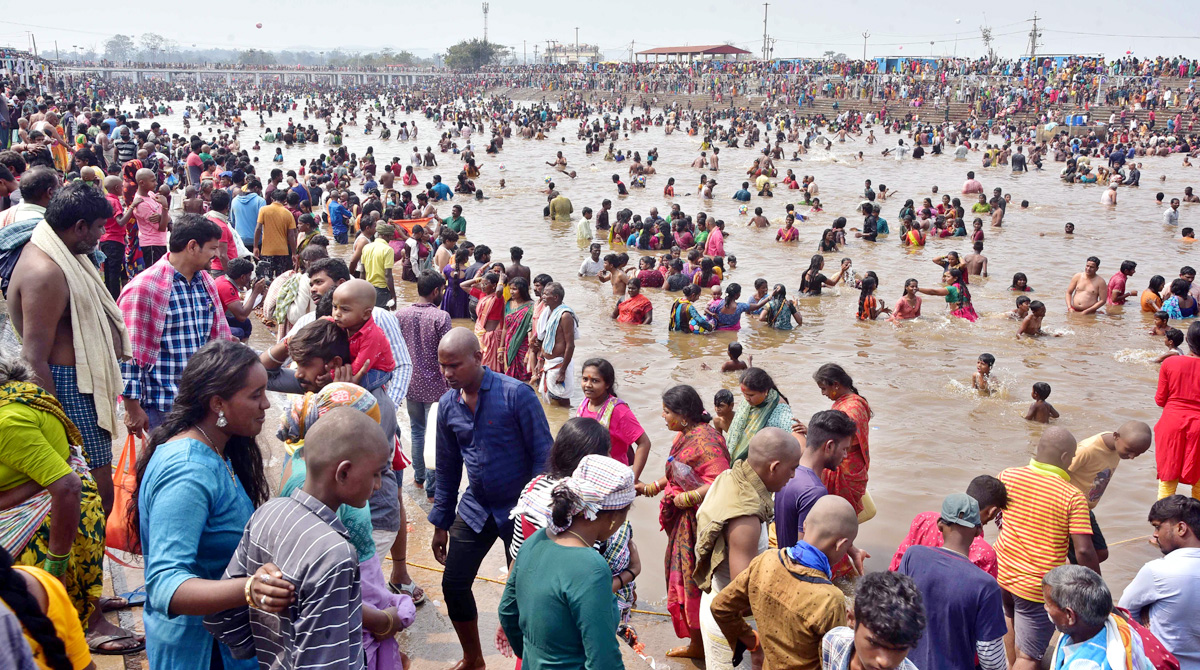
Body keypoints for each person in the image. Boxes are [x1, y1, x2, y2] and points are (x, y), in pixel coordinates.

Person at [132, 341, 295, 670]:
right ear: (217, 403)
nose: (266, 404)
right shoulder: (187, 473)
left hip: (226, 641)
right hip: (201, 652)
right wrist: (250, 588)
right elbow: (165, 586)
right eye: (255, 396)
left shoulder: (218, 447)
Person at [205, 409, 397, 669]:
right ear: (343, 473)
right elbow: (328, 663)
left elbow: (220, 616)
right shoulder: (336, 554)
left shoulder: (267, 512)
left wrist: (267, 647)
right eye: (376, 473)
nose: (377, 485)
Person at [0, 355, 142, 656]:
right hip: (66, 499)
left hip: (57, 512)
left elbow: (66, 486)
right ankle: (85, 605)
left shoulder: (8, 420)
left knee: (48, 586)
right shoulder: (22, 395)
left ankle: (88, 623)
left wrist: (55, 566)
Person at [429, 328, 553, 670]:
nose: (448, 374)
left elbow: (544, 457)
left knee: (527, 594)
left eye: (454, 365)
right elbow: (447, 467)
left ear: (479, 358)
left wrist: (539, 519)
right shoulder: (446, 406)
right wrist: (441, 522)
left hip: (521, 509)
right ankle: (473, 658)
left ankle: (530, 662)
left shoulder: (517, 395)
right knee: (453, 584)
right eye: (442, 367)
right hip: (477, 506)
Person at [9, 181, 132, 515]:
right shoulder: (46, 273)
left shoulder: (61, 256)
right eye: (98, 228)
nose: (101, 236)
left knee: (94, 495)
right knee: (95, 496)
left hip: (79, 384)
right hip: (67, 389)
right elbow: (34, 357)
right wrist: (58, 428)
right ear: (78, 227)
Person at [499, 454, 634, 668]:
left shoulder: (535, 540)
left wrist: (532, 657)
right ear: (613, 517)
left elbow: (507, 611)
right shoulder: (592, 568)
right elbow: (603, 659)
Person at [695, 428, 803, 669]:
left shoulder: (729, 476)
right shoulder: (746, 519)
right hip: (735, 627)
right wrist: (754, 643)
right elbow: (739, 596)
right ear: (774, 467)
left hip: (712, 599)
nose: (794, 475)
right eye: (792, 468)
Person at [710, 493, 857, 670]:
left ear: (805, 525)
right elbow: (835, 663)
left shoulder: (766, 560)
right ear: (841, 544)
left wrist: (752, 641)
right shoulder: (830, 600)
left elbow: (720, 606)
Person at [995, 427, 1100, 670]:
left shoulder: (1007, 476)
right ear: (1065, 459)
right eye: (1072, 457)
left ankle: (1010, 665)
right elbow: (1083, 551)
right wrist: (1097, 587)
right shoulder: (1073, 496)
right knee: (1029, 657)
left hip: (1002, 572)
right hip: (1035, 586)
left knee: (1008, 617)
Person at [637, 384, 730, 659]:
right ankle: (697, 642)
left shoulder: (707, 441)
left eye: (667, 412)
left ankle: (700, 646)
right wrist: (652, 487)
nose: (663, 416)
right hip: (683, 521)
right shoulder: (686, 434)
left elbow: (721, 482)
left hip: (699, 526)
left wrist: (685, 499)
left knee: (693, 582)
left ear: (683, 415)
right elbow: (680, 471)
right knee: (683, 579)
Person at [119, 214, 233, 434]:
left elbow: (217, 339)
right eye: (212, 248)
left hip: (200, 400)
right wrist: (132, 407)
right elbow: (129, 354)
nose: (217, 255)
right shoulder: (145, 288)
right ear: (192, 247)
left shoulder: (205, 282)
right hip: (163, 405)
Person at [895, 494, 1007, 670]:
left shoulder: (913, 556)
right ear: (978, 531)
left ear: (940, 524)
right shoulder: (986, 585)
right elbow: (991, 658)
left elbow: (895, 610)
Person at [1118, 496, 1200, 666]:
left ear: (1181, 528)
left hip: (1165, 664)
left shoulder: (1157, 571)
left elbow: (1124, 614)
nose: (1155, 535)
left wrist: (1146, 616)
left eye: (1158, 527)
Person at [395, 270, 451, 500]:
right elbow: (448, 353)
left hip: (410, 382)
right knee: (434, 437)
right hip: (436, 385)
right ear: (436, 291)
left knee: (417, 431)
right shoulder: (441, 317)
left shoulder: (400, 314)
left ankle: (418, 478)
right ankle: (432, 489)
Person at [887, 475, 1008, 576]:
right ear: (992, 511)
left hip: (907, 597)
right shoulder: (984, 553)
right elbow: (984, 594)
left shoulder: (924, 520)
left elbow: (898, 562)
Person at [1044, 565, 1153, 668]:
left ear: (1069, 615)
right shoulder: (1119, 625)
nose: (1045, 608)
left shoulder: (1089, 666)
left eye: (1048, 604)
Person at [809, 364, 874, 527]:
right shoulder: (848, 401)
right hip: (845, 464)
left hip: (847, 469)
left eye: (824, 388)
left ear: (836, 385)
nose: (823, 393)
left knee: (839, 518)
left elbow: (843, 440)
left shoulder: (852, 408)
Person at [820, 571, 926, 670]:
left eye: (900, 649)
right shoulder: (833, 643)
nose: (884, 662)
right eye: (874, 643)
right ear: (851, 619)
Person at [577, 358, 651, 478]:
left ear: (607, 384)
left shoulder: (618, 411)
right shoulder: (584, 404)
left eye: (595, 381)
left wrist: (634, 479)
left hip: (613, 477)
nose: (588, 385)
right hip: (589, 474)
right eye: (585, 379)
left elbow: (644, 443)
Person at [1154, 321, 1200, 499]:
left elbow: (1160, 400)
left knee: (1167, 480)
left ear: (1187, 340)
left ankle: (1163, 523)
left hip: (1172, 423)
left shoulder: (1170, 363)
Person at [332, 280, 397, 391]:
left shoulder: (372, 336)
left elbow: (359, 367)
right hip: (359, 364)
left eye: (345, 309)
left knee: (353, 388)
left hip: (378, 371)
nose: (337, 313)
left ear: (366, 314)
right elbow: (326, 322)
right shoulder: (345, 323)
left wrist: (331, 376)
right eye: (335, 307)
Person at [726, 368, 794, 464]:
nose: (746, 398)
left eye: (751, 395)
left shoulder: (780, 409)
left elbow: (794, 438)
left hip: (760, 464)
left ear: (765, 391)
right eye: (744, 394)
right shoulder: (748, 402)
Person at [535, 282, 578, 407]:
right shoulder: (549, 313)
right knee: (549, 402)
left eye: (546, 294)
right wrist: (540, 360)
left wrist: (563, 371)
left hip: (559, 365)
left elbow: (570, 345)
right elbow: (546, 339)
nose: (543, 296)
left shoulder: (565, 316)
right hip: (549, 364)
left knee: (562, 402)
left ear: (555, 297)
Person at [213, 258, 267, 342]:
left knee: (246, 324)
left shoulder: (223, 279)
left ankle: (242, 349)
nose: (249, 279)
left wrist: (255, 291)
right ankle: (234, 351)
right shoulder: (226, 287)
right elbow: (241, 316)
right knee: (239, 332)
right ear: (242, 277)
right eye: (249, 276)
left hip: (218, 319)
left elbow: (242, 311)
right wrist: (255, 293)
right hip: (214, 325)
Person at [253, 189, 296, 277]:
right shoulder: (288, 214)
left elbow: (258, 229)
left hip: (267, 251)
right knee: (280, 278)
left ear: (272, 199)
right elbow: (291, 235)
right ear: (285, 201)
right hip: (283, 251)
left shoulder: (264, 210)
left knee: (266, 278)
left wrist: (255, 247)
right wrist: (294, 253)